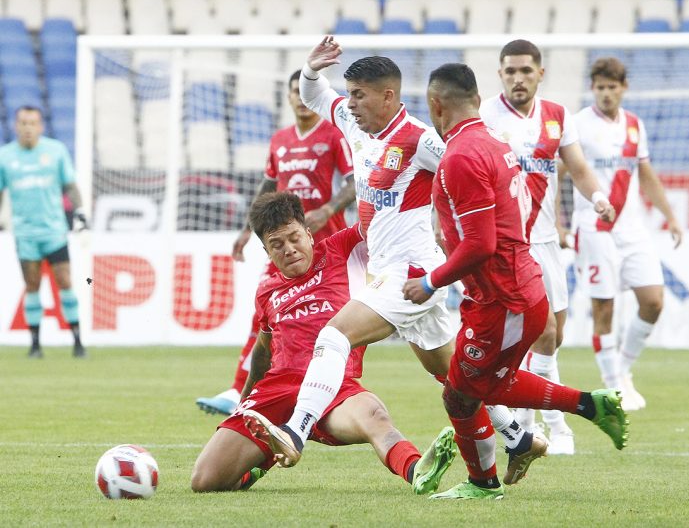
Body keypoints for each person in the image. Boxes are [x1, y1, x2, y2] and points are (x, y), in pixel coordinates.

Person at [243, 36, 526, 475]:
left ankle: (296, 431)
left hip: (412, 275)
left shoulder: (420, 140)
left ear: (388, 96)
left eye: (359, 95)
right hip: (390, 273)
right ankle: (518, 435)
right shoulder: (355, 125)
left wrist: (465, 228)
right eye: (349, 94)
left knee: (333, 337)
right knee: (454, 375)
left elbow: (469, 168)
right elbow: (315, 95)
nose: (350, 103)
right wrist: (312, 69)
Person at [402, 63, 628, 500]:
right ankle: (586, 406)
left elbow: (481, 243)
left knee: (460, 396)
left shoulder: (461, 156)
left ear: (435, 104)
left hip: (503, 300)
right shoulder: (494, 143)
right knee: (486, 385)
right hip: (514, 290)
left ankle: (483, 483)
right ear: (477, 98)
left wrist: (430, 281)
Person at [191, 192, 457, 495]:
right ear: (266, 251)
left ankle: (417, 469)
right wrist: (243, 405)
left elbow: (380, 221)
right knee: (205, 481)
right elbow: (263, 352)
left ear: (308, 233)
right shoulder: (267, 292)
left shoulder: (342, 249)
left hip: (336, 388)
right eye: (277, 244)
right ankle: (259, 463)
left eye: (294, 238)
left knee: (374, 416)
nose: (289, 249)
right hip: (277, 390)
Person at [479, 39, 615, 454]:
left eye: (525, 70)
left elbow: (579, 168)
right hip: (507, 245)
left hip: (545, 242)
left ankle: (529, 422)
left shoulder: (557, 116)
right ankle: (554, 427)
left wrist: (599, 197)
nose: (518, 78)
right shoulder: (485, 115)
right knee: (544, 332)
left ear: (540, 73)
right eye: (510, 71)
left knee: (553, 336)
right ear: (500, 75)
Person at [196, 70, 357, 416]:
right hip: (281, 247)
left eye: (305, 92)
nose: (300, 99)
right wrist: (247, 230)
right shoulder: (280, 140)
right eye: (294, 92)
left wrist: (328, 209)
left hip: (324, 247)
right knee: (264, 315)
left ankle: (327, 387)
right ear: (288, 97)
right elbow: (268, 186)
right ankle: (240, 389)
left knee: (325, 321)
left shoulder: (334, 134)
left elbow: (355, 180)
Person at [573, 57, 683, 410]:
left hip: (632, 228)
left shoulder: (634, 125)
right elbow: (562, 172)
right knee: (604, 307)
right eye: (600, 87)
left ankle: (622, 369)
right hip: (595, 227)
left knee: (653, 301)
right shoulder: (578, 124)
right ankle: (613, 388)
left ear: (624, 88)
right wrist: (559, 222)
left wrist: (670, 216)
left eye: (612, 87)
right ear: (593, 89)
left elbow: (646, 175)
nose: (606, 94)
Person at [0, 106, 87, 358]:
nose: (28, 128)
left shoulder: (55, 151)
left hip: (54, 231)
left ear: (40, 126)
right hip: (25, 234)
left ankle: (78, 341)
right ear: (16, 126)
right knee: (32, 285)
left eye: (32, 123)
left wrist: (81, 214)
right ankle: (35, 345)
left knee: (65, 281)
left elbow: (70, 185)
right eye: (23, 123)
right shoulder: (5, 156)